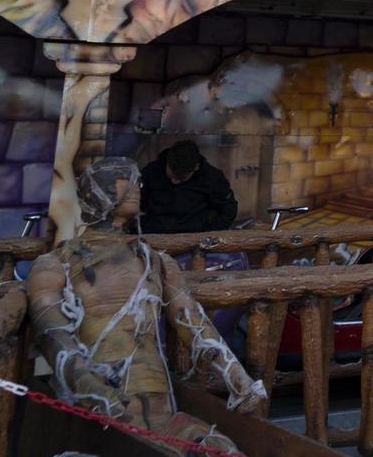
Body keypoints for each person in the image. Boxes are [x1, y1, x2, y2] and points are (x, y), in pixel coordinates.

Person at [26, 158, 265, 454]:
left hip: (163, 415)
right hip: (98, 419)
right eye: (128, 179)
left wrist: (238, 379)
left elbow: (192, 321)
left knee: (223, 451)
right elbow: (53, 335)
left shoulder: (155, 261)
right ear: (102, 191)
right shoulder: (56, 264)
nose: (140, 185)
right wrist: (95, 392)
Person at [140, 140, 238, 234]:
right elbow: (136, 203)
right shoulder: (151, 171)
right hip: (154, 233)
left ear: (196, 167)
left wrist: (209, 235)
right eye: (170, 176)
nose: (174, 182)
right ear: (167, 162)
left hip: (194, 237)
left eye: (181, 178)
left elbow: (228, 209)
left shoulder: (212, 178)